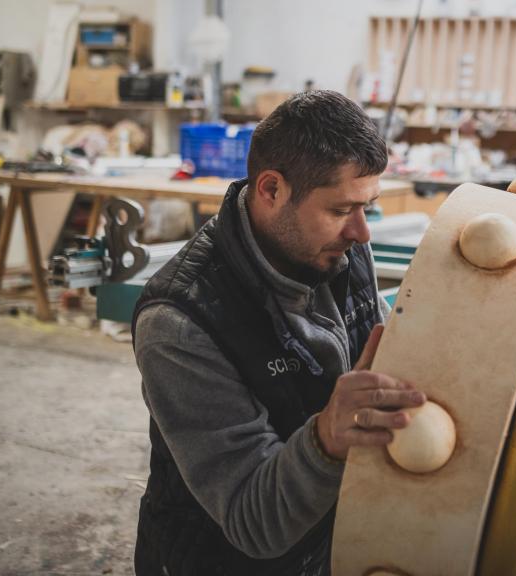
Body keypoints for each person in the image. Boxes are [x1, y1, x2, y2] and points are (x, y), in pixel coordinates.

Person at [132, 90, 425, 575]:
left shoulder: (342, 247)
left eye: (367, 208)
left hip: (326, 544)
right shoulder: (180, 322)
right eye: (339, 210)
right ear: (270, 189)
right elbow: (253, 523)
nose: (361, 233)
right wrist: (328, 437)